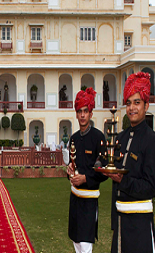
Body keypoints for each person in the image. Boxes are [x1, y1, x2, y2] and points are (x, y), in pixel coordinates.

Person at [107, 72, 155, 253]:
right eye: (129, 103)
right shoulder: (121, 137)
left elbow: (151, 187)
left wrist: (122, 180)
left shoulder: (153, 141)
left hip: (139, 223)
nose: (132, 108)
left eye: (137, 102)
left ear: (146, 105)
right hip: (120, 220)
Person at [66, 87, 108, 253]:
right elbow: (72, 164)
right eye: (79, 111)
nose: (82, 115)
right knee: (76, 242)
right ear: (76, 114)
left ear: (91, 113)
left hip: (89, 199)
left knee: (85, 245)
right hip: (74, 198)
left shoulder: (99, 138)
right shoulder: (74, 138)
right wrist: (69, 171)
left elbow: (105, 170)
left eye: (85, 111)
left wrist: (86, 178)